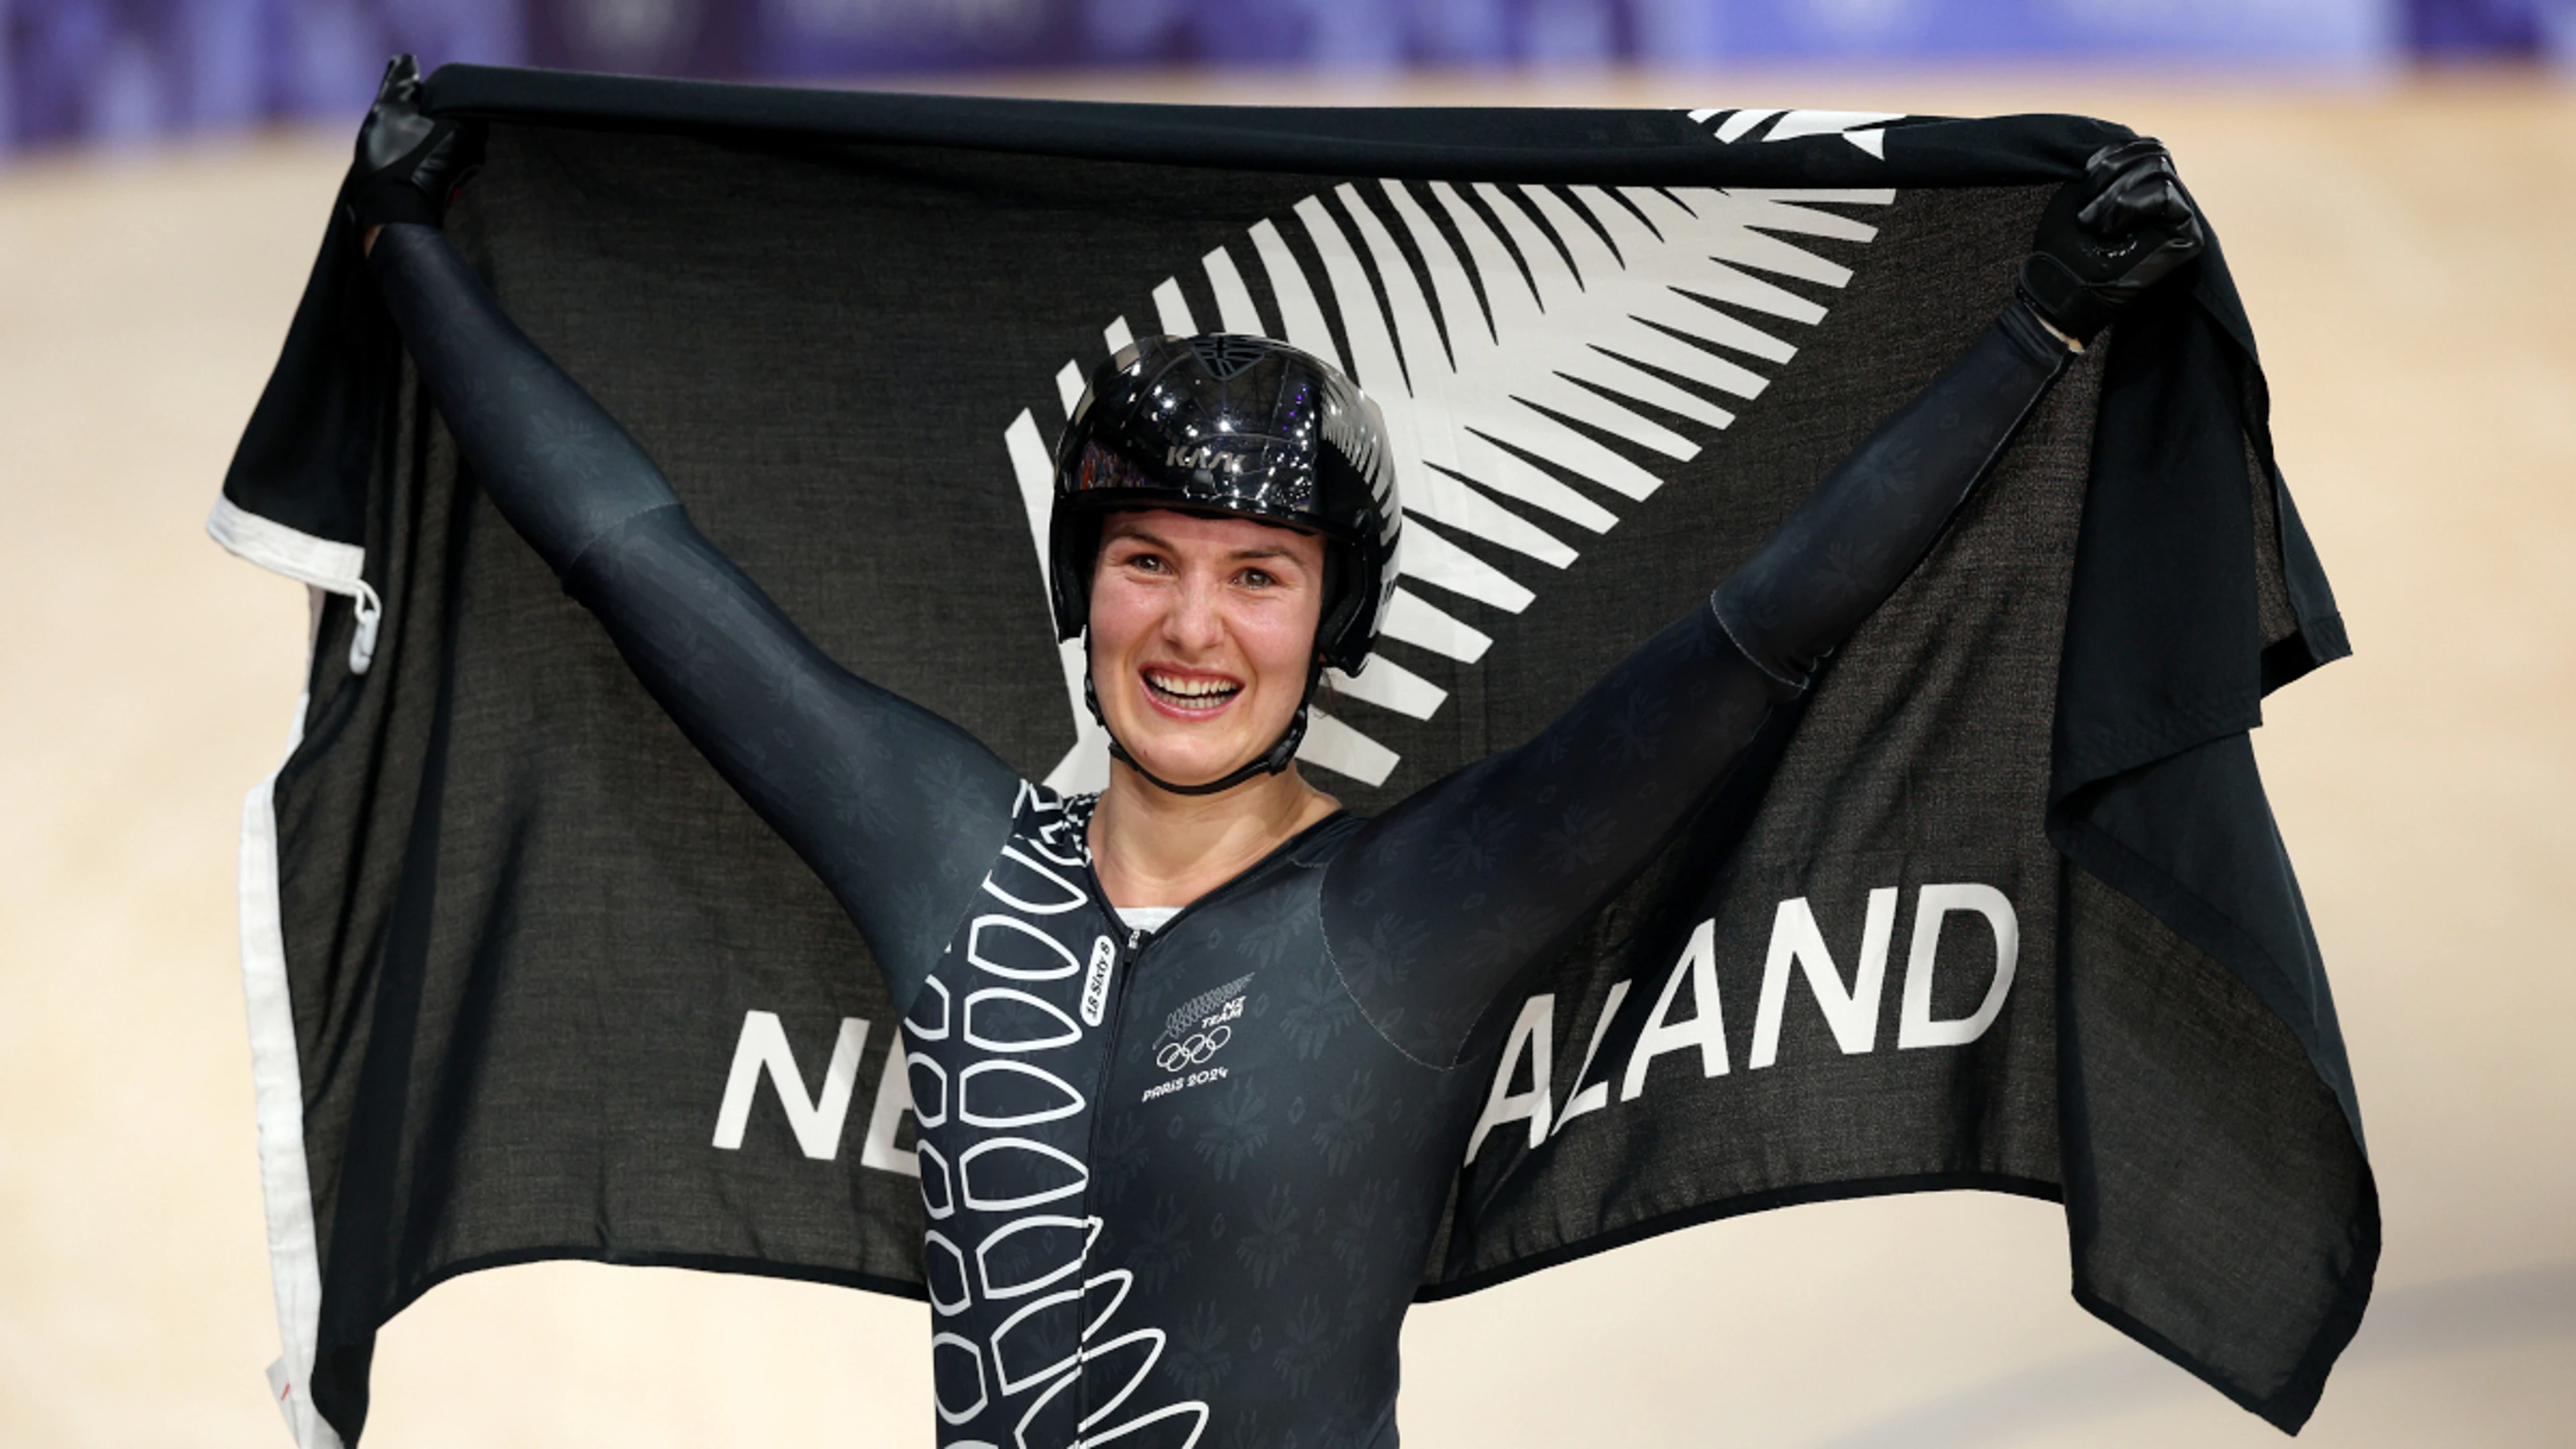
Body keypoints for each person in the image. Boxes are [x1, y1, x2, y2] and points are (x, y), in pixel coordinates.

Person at [348, 56, 2202, 1449]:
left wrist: (2038, 326)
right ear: (1084, 591)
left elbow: (1759, 636)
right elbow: (635, 559)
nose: (1193, 626)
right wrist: (413, 246)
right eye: (1146, 562)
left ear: (1335, 622)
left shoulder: (1417, 911)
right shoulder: (938, 847)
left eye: (1258, 574)